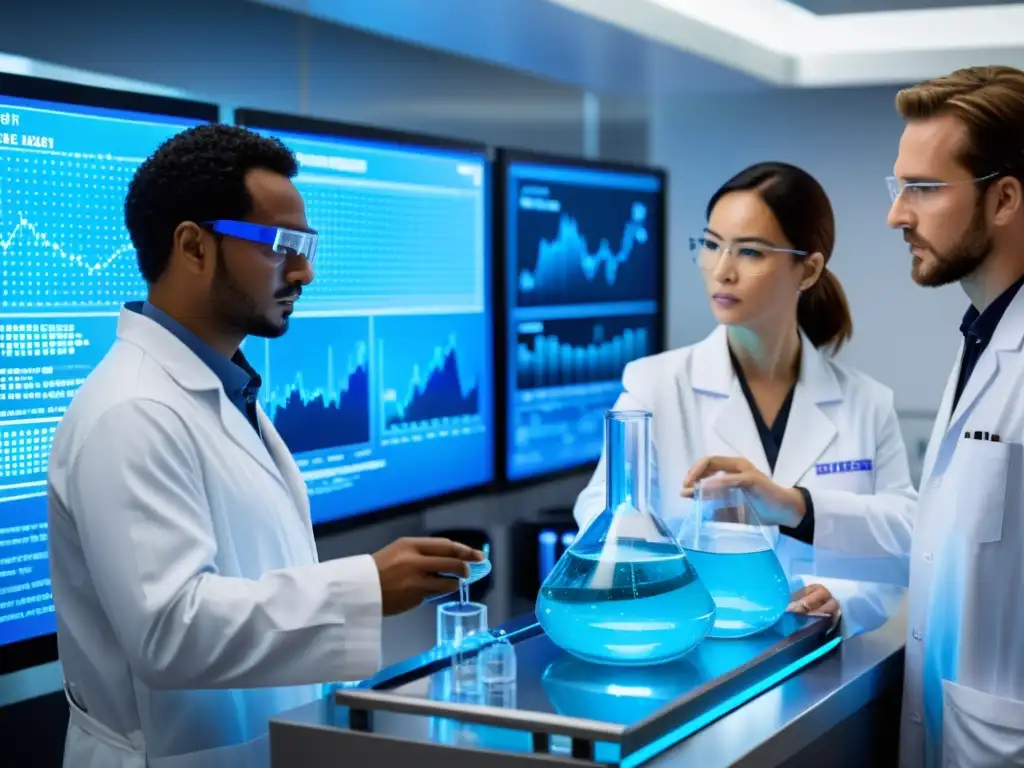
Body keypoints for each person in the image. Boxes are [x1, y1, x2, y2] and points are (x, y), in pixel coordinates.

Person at [46, 124, 483, 768]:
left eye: (306, 245)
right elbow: (169, 631)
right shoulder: (131, 410)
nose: (305, 271)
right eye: (282, 245)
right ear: (194, 246)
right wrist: (366, 586)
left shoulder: (223, 389)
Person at [573, 161, 918, 610]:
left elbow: (911, 537)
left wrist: (841, 587)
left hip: (825, 658)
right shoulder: (654, 387)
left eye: (750, 252)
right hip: (699, 654)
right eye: (712, 245)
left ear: (809, 270)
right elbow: (602, 522)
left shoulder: (866, 403)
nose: (722, 270)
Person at [887, 65, 1024, 767]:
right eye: (898, 186)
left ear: (1004, 199)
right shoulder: (984, 333)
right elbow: (950, 529)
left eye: (924, 188)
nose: (896, 214)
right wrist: (794, 505)